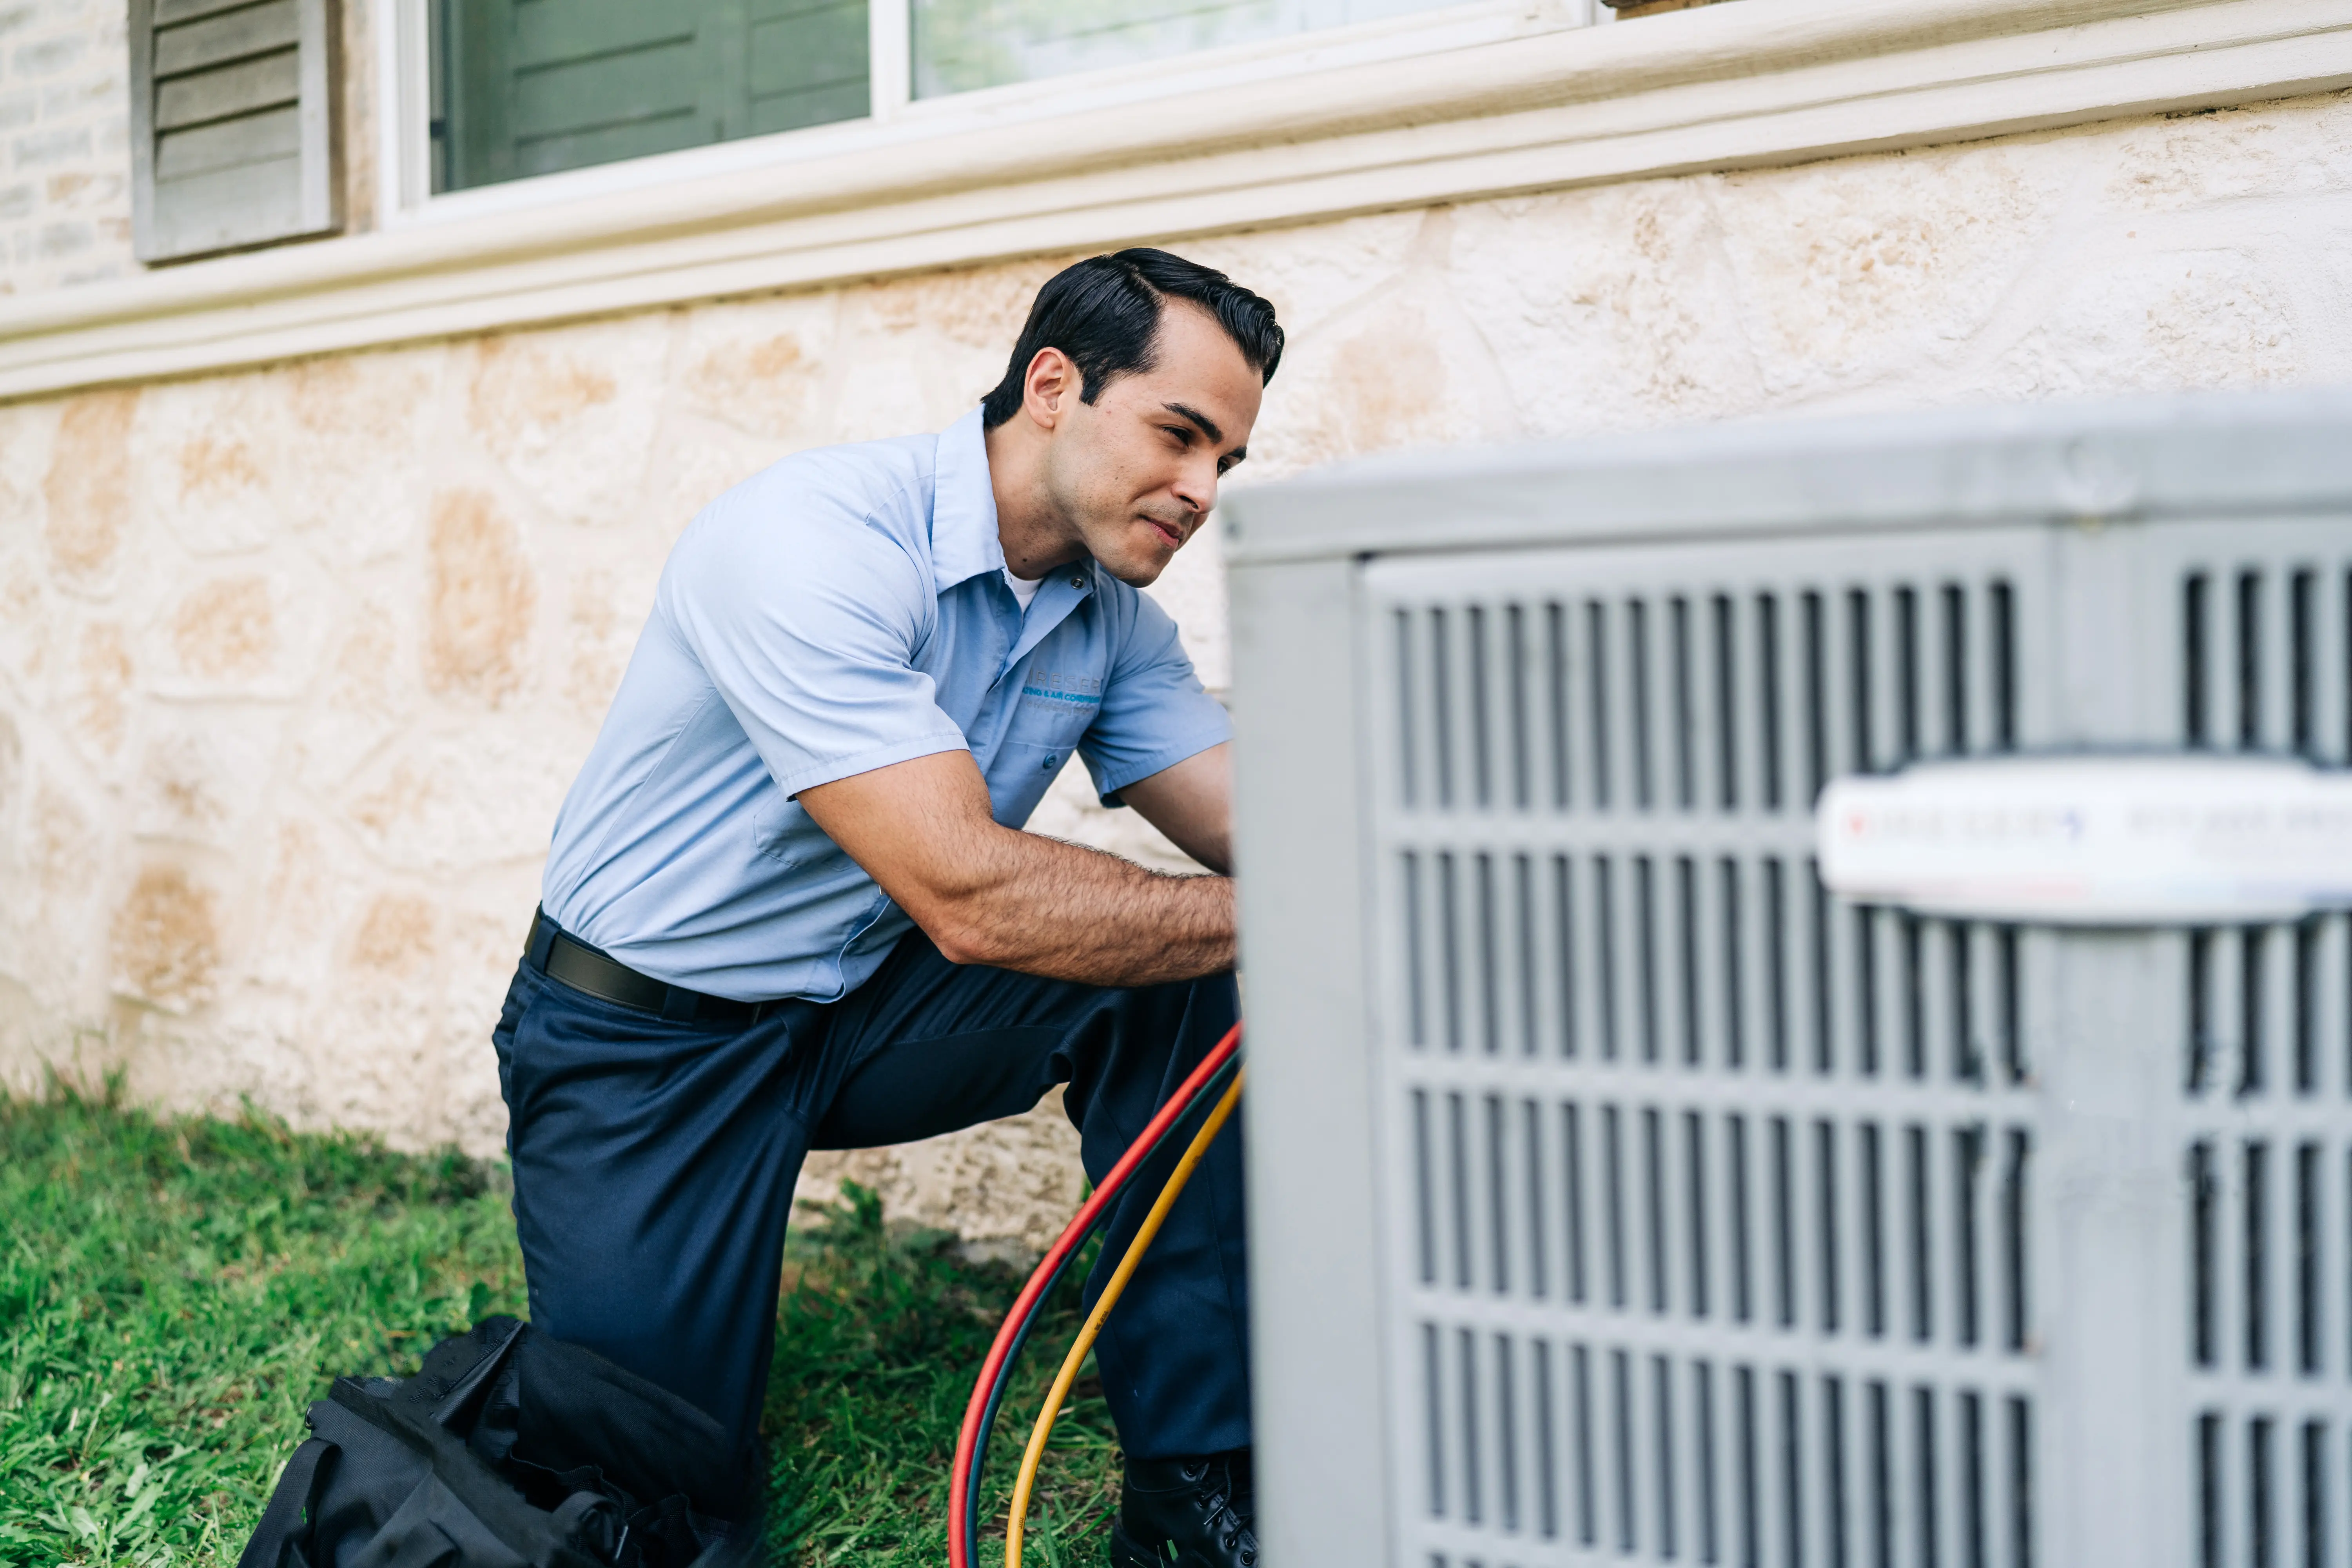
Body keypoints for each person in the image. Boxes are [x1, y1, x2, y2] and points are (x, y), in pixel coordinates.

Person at [490, 248, 1279, 1566]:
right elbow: (967, 890)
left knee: (1170, 976)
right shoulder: (810, 540)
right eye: (1181, 435)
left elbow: (1254, 819)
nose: (1202, 492)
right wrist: (1308, 906)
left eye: (1226, 464)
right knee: (650, 1499)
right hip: (647, 1041)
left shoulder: (1109, 614)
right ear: (1053, 385)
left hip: (867, 1004)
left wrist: (1435, 841)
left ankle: (1197, 1486)